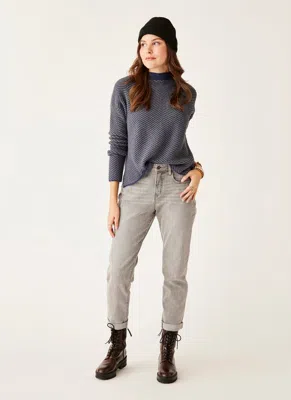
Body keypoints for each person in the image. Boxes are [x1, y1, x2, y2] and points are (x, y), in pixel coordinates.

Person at [95, 16, 205, 384]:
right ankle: (117, 345)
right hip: (136, 186)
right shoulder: (125, 89)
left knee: (175, 272)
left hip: (177, 187)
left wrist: (198, 171)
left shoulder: (186, 94)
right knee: (118, 269)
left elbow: (179, 146)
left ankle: (167, 350)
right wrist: (113, 200)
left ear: (170, 48)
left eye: (155, 42)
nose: (147, 50)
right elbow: (118, 145)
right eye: (143, 44)